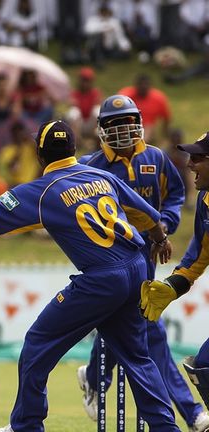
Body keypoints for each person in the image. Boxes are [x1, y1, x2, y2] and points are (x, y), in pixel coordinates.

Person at [0, 119, 183, 432]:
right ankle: (166, 428)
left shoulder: (42, 191)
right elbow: (147, 213)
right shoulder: (101, 175)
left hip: (102, 278)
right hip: (136, 267)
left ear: (39, 155)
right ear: (73, 148)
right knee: (137, 357)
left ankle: (26, 425)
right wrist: (160, 238)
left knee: (38, 344)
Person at [76, 95, 209, 431]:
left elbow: (175, 195)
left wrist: (165, 225)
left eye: (128, 121)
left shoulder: (156, 158)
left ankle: (94, 377)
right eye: (115, 124)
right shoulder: (91, 166)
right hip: (110, 259)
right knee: (146, 330)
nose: (123, 130)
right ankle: (192, 413)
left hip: (146, 256)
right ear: (102, 129)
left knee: (132, 326)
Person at [141, 131, 209, 430]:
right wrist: (171, 287)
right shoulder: (206, 199)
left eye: (198, 158)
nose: (190, 164)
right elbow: (199, 255)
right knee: (203, 365)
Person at [118, 74, 171, 143]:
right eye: (141, 85)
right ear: (136, 85)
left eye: (146, 85)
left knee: (147, 130)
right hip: (128, 124)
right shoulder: (125, 97)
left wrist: (164, 135)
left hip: (148, 127)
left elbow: (166, 119)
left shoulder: (158, 99)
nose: (143, 87)